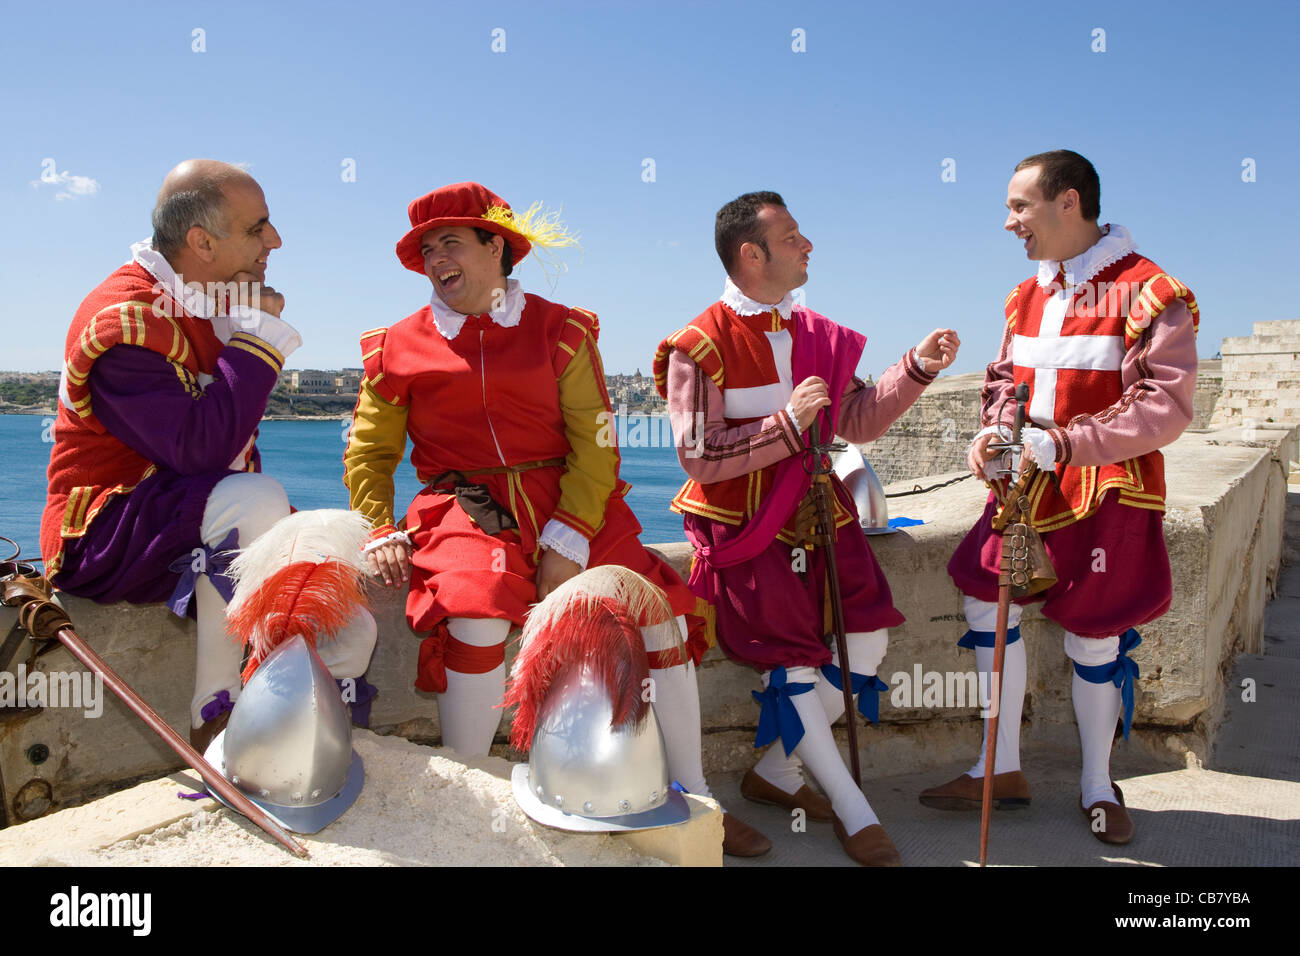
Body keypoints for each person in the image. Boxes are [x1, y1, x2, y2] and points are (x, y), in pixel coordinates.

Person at [342, 181, 770, 855]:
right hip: (463, 503)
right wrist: (378, 525)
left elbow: (595, 442)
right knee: (475, 607)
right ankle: (469, 786)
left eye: (450, 241)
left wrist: (568, 535)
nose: (435, 259)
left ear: (496, 247)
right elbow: (369, 452)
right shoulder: (396, 345)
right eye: (426, 249)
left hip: (572, 496)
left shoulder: (562, 329)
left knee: (661, 610)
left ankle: (694, 796)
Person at [654, 191, 959, 865]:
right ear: (750, 254)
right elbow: (698, 454)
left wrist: (915, 370)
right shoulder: (697, 344)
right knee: (794, 664)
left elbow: (856, 421)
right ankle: (855, 811)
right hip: (746, 526)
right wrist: (785, 425)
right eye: (793, 236)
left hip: (823, 515)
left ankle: (777, 772)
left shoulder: (818, 332)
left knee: (869, 645)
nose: (809, 245)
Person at [41, 160, 375, 754]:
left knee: (347, 608)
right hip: (103, 534)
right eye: (258, 228)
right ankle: (215, 720)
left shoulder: (210, 298)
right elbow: (200, 449)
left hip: (197, 522)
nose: (275, 241)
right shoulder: (126, 319)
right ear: (201, 242)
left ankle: (308, 739)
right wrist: (257, 338)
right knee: (257, 499)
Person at [919, 150, 1199, 846]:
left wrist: (1070, 443)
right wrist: (993, 435)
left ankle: (1098, 786)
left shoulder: (1151, 290)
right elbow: (1005, 385)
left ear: (1068, 202)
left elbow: (1166, 405)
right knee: (987, 597)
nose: (1009, 221)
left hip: (1107, 491)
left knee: (1095, 634)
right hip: (1025, 488)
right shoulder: (1025, 297)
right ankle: (998, 767)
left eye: (1020, 206)